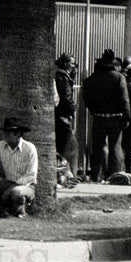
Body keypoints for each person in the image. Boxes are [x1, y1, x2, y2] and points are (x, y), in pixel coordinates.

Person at [80, 48, 129, 182]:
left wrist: (93, 110)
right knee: (115, 148)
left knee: (97, 147)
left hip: (99, 117)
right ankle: (116, 176)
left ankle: (96, 175)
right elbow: (124, 99)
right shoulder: (119, 77)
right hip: (115, 117)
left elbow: (87, 98)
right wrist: (126, 116)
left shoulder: (92, 79)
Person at [0, 117, 38, 218]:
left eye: (9, 132)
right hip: (7, 183)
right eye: (5, 132)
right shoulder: (1, 146)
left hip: (25, 186)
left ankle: (19, 211)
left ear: (17, 133)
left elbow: (31, 176)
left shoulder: (29, 148)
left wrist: (12, 188)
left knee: (16, 192)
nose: (5, 135)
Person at [54, 52, 78, 181]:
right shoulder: (62, 76)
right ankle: (65, 174)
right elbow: (66, 96)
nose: (73, 66)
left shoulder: (61, 75)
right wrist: (73, 108)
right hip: (62, 113)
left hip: (60, 112)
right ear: (66, 63)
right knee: (66, 144)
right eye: (71, 63)